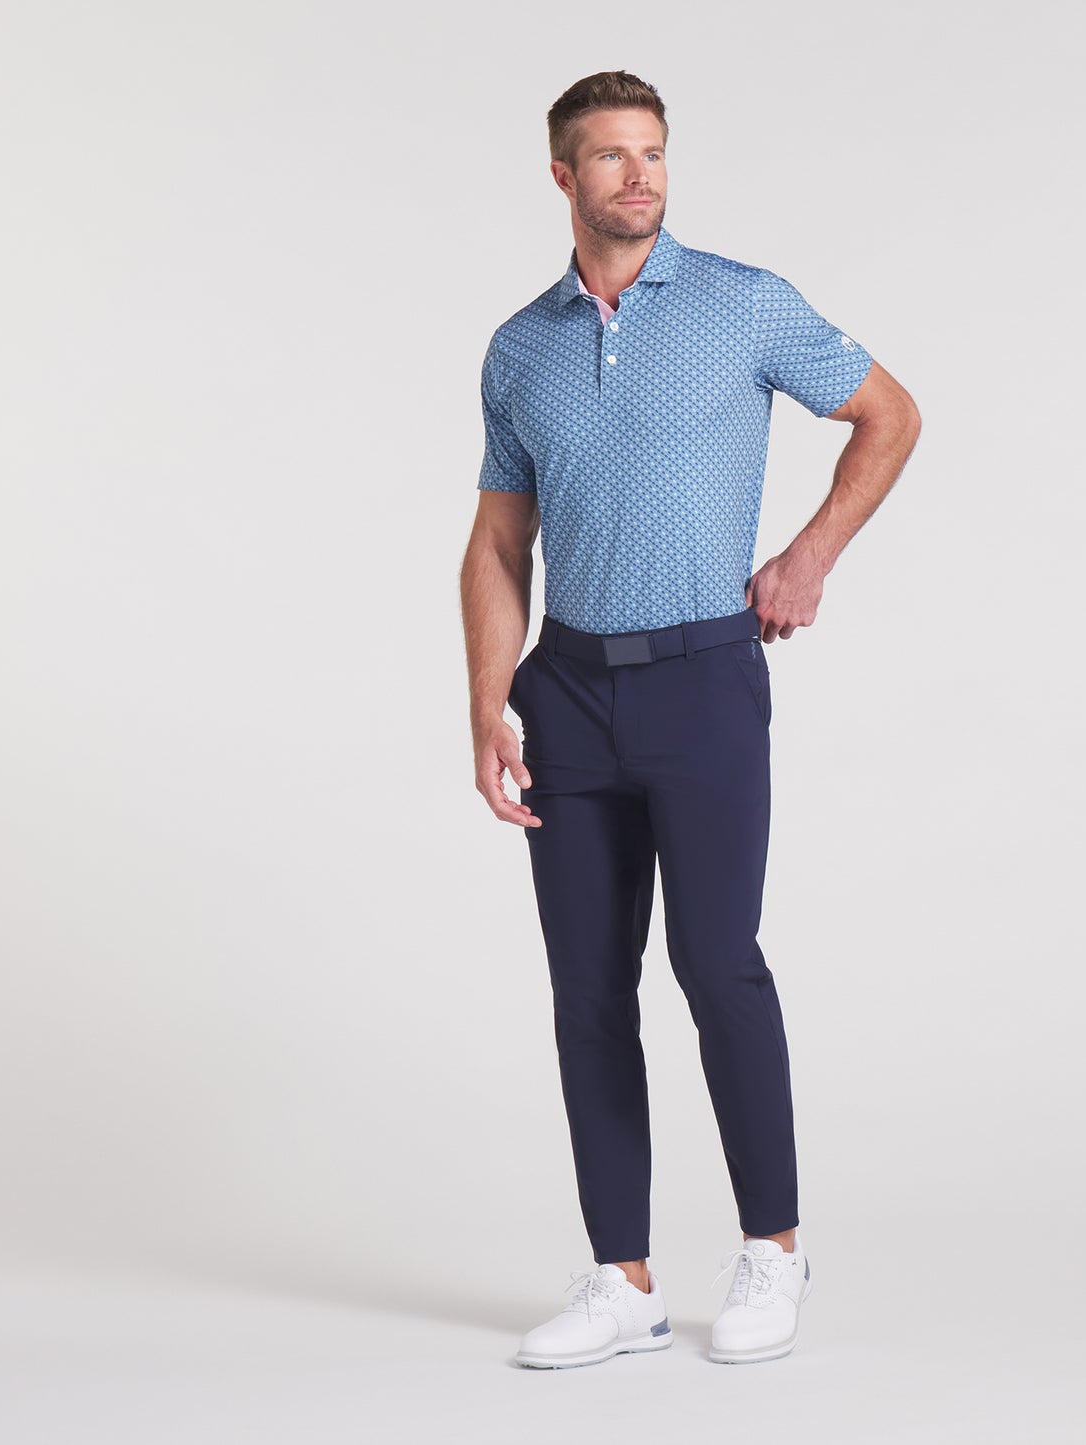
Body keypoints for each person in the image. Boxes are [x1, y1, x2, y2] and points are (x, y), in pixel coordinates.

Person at [459, 70, 920, 1368]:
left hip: (703, 677)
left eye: (653, 151)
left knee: (717, 963)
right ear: (564, 177)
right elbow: (497, 542)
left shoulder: (741, 303)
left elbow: (889, 415)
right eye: (610, 156)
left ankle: (774, 1250)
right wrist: (488, 699)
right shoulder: (521, 347)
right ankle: (624, 1280)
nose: (639, 175)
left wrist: (809, 556)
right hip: (566, 690)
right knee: (587, 988)